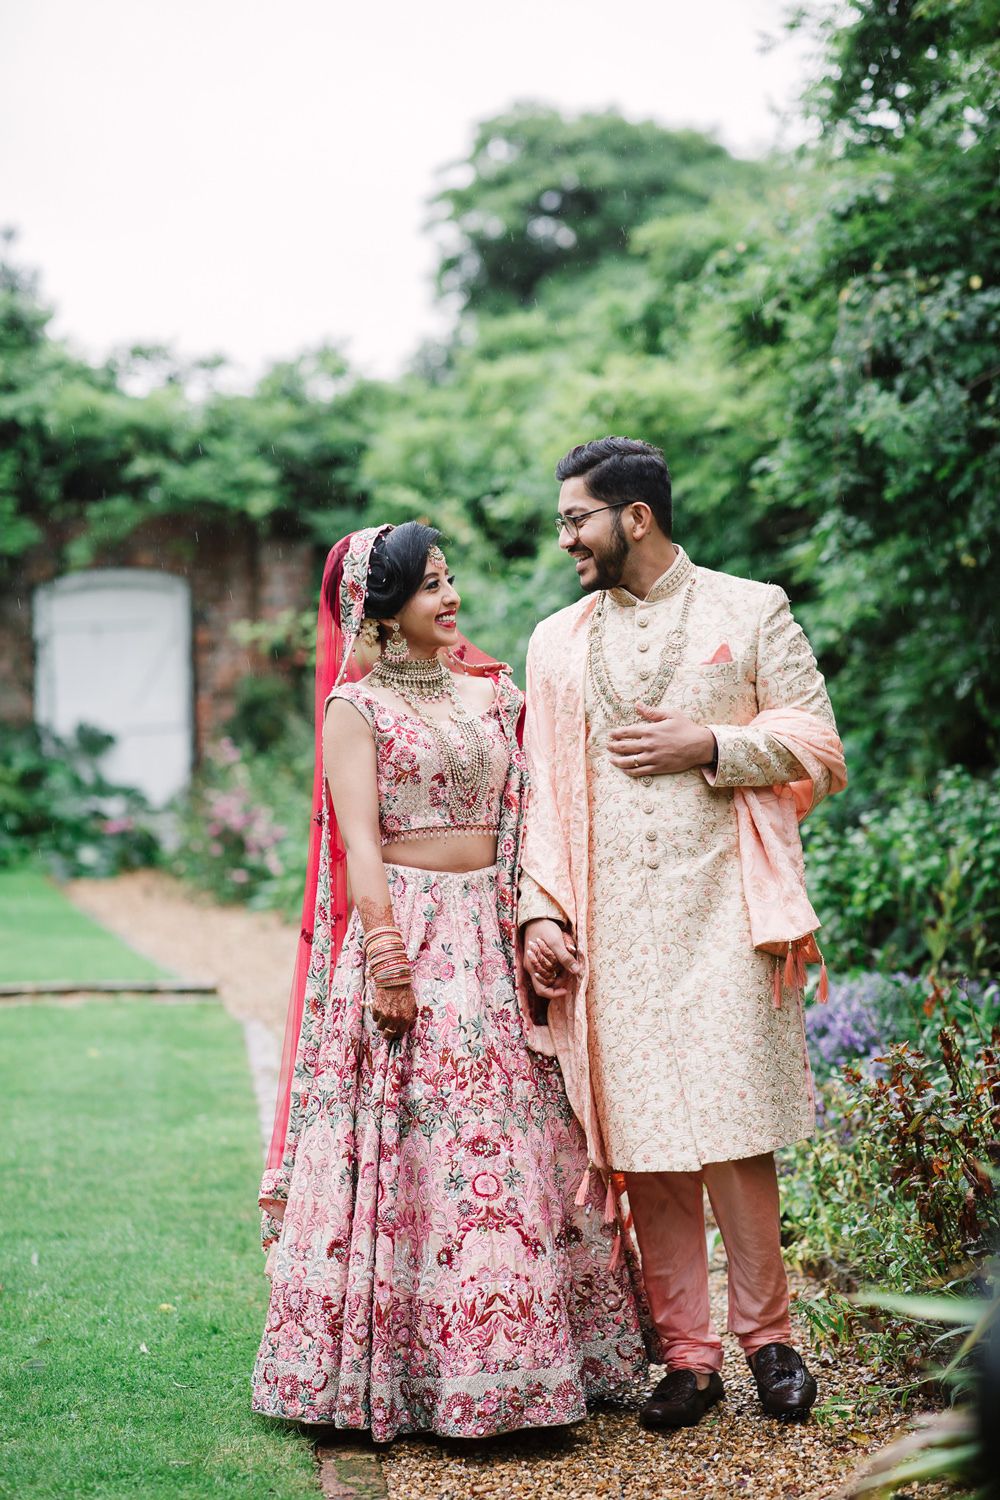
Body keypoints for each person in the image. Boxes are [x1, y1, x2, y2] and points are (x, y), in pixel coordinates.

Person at [252, 521, 651, 1443]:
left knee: (511, 1147)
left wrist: (536, 918)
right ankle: (414, 1374)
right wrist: (387, 964)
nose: (450, 596)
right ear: (384, 613)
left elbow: (537, 806)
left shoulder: (491, 697)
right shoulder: (356, 709)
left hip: (491, 933)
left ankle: (528, 1367)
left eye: (450, 578)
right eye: (429, 586)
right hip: (415, 938)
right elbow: (357, 847)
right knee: (421, 1151)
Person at [519, 437, 847, 1431]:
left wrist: (707, 743)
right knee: (647, 1142)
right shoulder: (555, 640)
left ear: (636, 517)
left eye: (577, 517)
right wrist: (541, 908)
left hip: (727, 918)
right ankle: (688, 1358)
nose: (565, 535)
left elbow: (819, 749)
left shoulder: (749, 610)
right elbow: (534, 789)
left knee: (738, 1136)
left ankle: (771, 1343)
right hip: (611, 927)